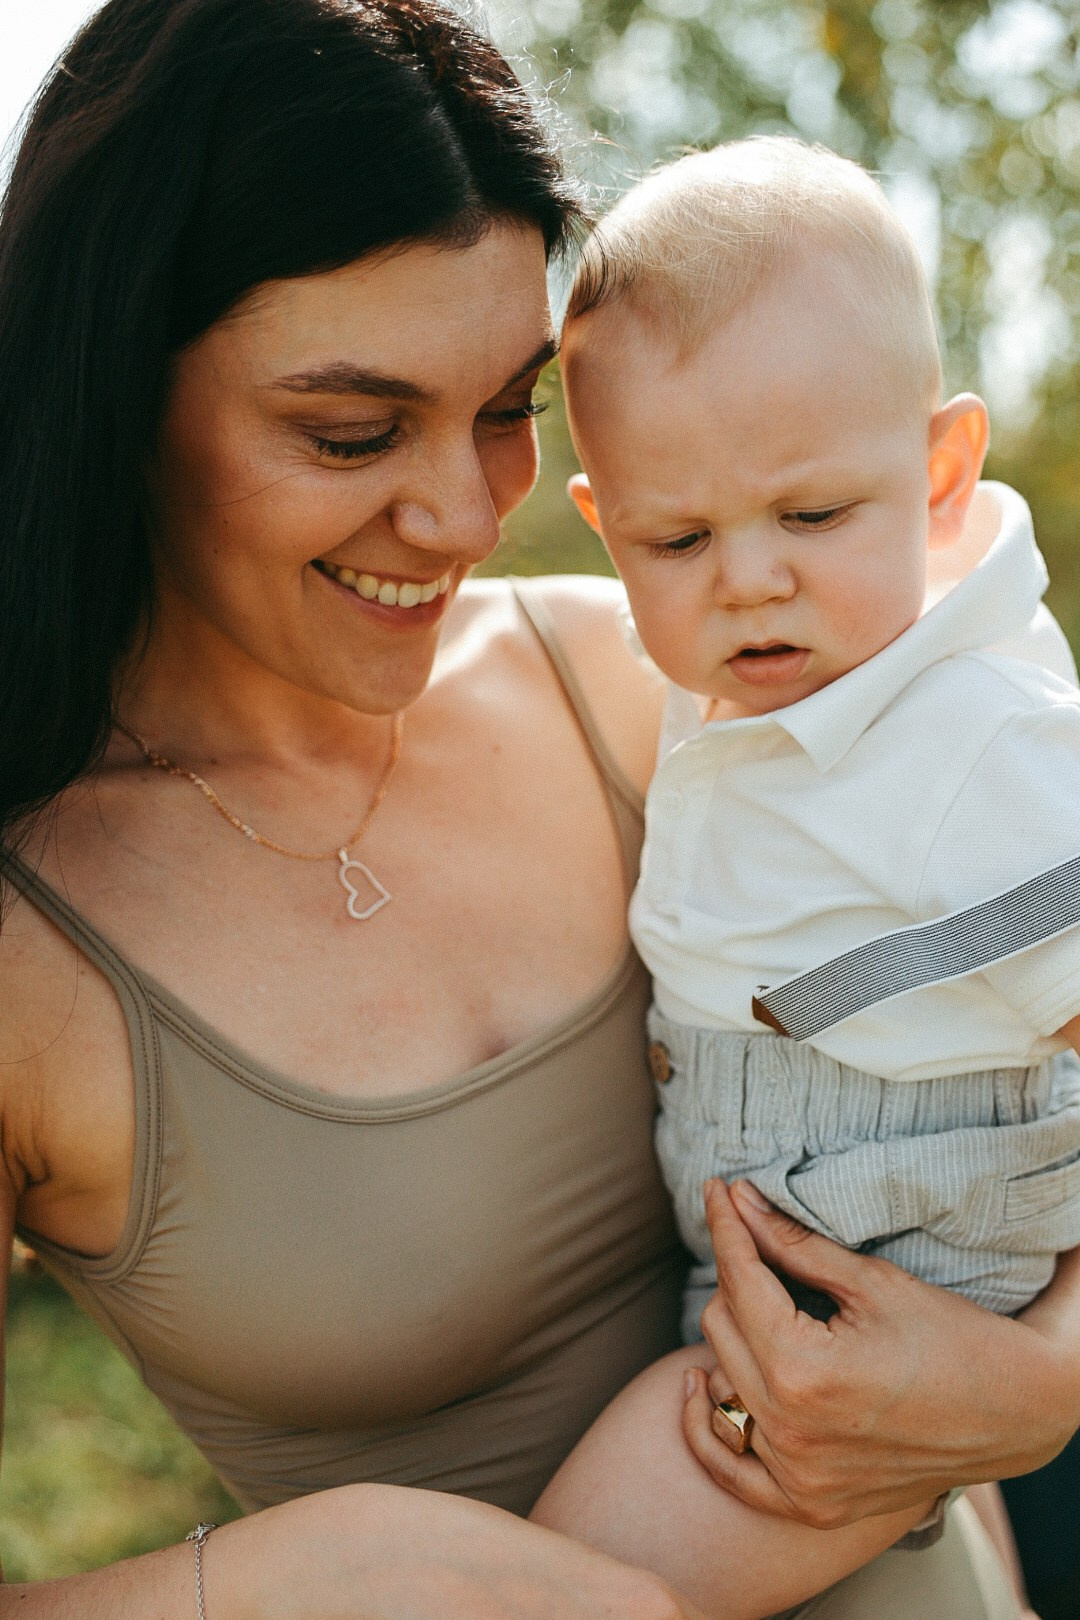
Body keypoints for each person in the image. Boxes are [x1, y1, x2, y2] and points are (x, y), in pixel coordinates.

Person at [0, 3, 1074, 1613]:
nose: (462, 517)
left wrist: (1045, 1379)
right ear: (118, 389)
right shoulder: (32, 956)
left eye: (510, 407)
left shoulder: (675, 699)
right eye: (353, 429)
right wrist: (303, 1581)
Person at [532, 136, 1080, 1618]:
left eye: (814, 516)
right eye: (680, 536)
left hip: (888, 1328)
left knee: (561, 1585)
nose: (749, 579)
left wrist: (1043, 1357)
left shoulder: (983, 747)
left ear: (943, 471)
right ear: (606, 527)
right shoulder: (739, 701)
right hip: (792, 1275)